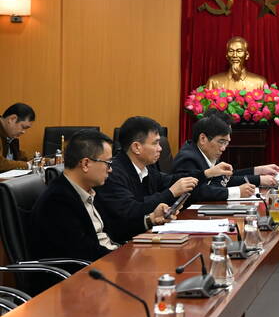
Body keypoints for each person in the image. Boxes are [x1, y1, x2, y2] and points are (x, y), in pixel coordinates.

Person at [29, 130, 172, 263]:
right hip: (82, 279)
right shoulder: (58, 201)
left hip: (107, 263)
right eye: (108, 163)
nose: (110, 169)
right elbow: (83, 253)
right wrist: (129, 257)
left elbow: (114, 231)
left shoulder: (89, 191)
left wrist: (150, 219)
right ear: (85, 164)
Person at [95, 116, 233, 242]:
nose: (160, 149)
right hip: (122, 243)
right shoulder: (113, 173)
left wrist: (206, 174)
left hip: (145, 236)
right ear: (137, 147)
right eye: (155, 143)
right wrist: (171, 193)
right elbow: (132, 210)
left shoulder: (147, 168)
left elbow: (171, 180)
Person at [172, 114, 279, 200]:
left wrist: (258, 171)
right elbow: (197, 192)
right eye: (221, 142)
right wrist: (237, 192)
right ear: (203, 139)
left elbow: (224, 179)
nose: (223, 148)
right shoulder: (188, 158)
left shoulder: (206, 152)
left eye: (226, 143)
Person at [0, 102, 35, 172]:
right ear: (12, 119)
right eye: (23, 127)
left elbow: (18, 155)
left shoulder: (8, 134)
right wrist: (27, 165)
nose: (23, 132)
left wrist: (42, 160)